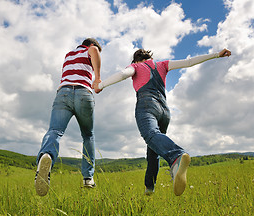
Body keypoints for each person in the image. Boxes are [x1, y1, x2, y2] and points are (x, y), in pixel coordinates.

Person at [94, 48, 231, 196]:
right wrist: (216, 54)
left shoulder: (135, 66)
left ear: (136, 60)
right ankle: (149, 187)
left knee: (150, 135)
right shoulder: (162, 65)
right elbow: (189, 62)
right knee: (154, 150)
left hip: (147, 105)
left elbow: (122, 74)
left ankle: (176, 156)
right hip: (165, 111)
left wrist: (100, 85)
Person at [35, 38, 102, 196]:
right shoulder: (90, 50)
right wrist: (97, 78)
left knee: (55, 130)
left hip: (63, 93)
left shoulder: (68, 55)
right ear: (91, 45)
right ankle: (87, 178)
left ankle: (46, 155)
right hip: (83, 93)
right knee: (88, 135)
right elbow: (94, 51)